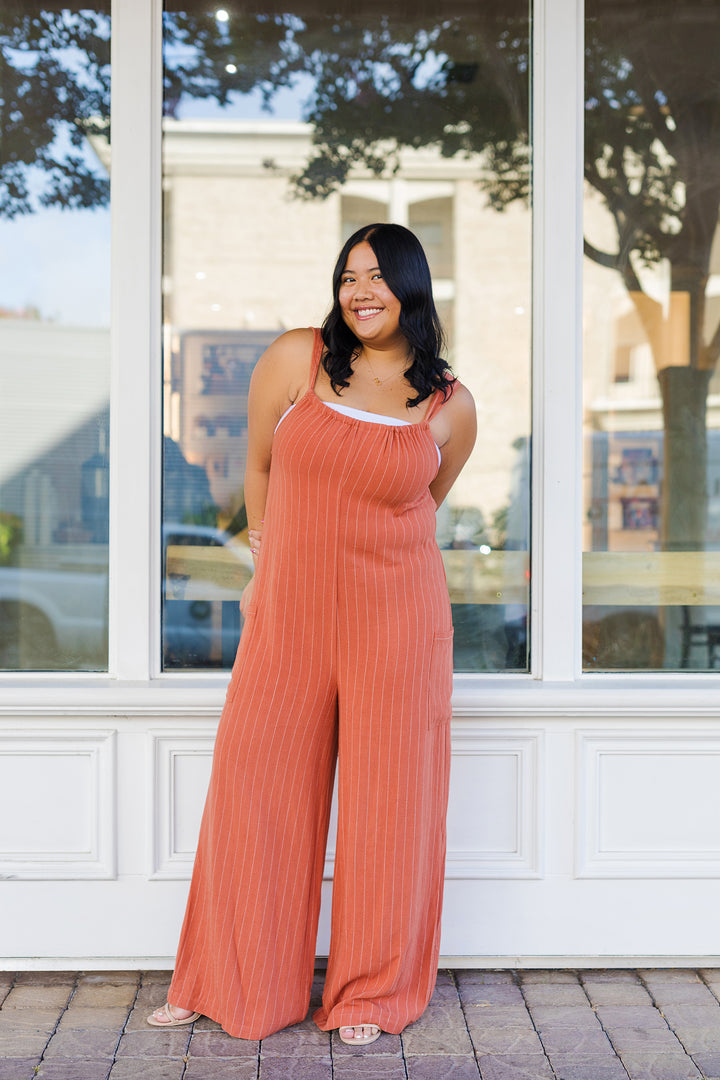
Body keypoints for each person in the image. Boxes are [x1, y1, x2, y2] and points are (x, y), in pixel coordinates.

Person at [147, 222, 477, 1046]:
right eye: (348, 276)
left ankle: (370, 996)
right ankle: (228, 978)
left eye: (377, 276)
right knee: (254, 793)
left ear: (412, 286)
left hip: (397, 622)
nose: (360, 291)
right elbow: (257, 468)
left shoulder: (449, 404)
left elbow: (420, 509)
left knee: (389, 810)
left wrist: (364, 560)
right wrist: (268, 566)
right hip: (289, 611)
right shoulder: (299, 357)